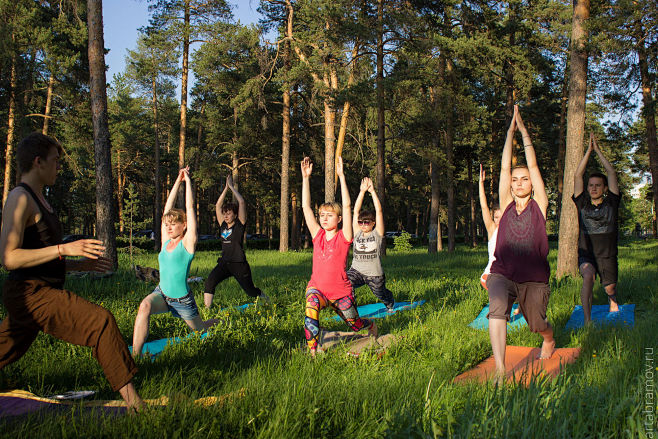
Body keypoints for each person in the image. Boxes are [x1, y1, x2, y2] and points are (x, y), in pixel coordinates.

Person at [0, 132, 142, 409]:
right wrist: (64, 249)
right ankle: (136, 405)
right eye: (55, 161)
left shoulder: (39, 198)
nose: (59, 167)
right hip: (29, 293)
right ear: (38, 162)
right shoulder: (20, 197)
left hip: (37, 291)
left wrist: (80, 265)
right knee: (100, 322)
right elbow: (9, 258)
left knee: (7, 346)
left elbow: (41, 255)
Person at [486, 106, 555, 380]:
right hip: (502, 272)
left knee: (537, 324)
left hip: (534, 279)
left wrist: (524, 133)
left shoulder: (540, 205)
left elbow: (534, 166)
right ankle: (501, 370)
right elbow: (504, 167)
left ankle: (548, 338)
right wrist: (508, 133)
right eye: (515, 180)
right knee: (497, 311)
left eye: (524, 179)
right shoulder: (505, 205)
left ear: (532, 184)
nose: (518, 183)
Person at [132, 167, 216, 357]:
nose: (168, 228)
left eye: (173, 224)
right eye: (166, 224)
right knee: (144, 306)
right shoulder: (166, 242)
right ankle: (136, 357)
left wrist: (187, 182)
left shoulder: (187, 244)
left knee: (200, 331)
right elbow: (166, 210)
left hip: (182, 301)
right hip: (161, 293)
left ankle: (215, 322)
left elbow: (190, 208)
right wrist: (177, 181)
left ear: (184, 225)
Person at [301, 156, 377, 356]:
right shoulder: (317, 236)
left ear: (339, 219)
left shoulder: (344, 237)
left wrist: (342, 176)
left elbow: (347, 206)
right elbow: (305, 208)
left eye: (329, 215)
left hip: (341, 293)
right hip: (317, 288)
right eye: (322, 215)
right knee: (310, 310)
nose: (324, 219)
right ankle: (314, 352)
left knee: (355, 324)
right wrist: (306, 178)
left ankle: (370, 325)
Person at [573, 133, 621, 323]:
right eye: (591, 185)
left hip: (607, 254)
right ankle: (587, 320)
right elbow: (577, 175)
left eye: (597, 185)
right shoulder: (582, 203)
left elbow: (611, 174)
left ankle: (612, 299)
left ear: (604, 188)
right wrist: (588, 151)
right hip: (587, 253)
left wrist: (598, 152)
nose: (593, 188)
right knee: (588, 277)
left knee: (610, 287)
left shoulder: (612, 203)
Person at [203, 175, 268, 308]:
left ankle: (267, 301)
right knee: (210, 282)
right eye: (224, 213)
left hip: (239, 264)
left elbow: (242, 202)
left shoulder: (240, 224)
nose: (226, 216)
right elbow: (217, 205)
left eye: (229, 213)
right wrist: (225, 188)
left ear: (235, 214)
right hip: (224, 263)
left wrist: (232, 187)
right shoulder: (223, 225)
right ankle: (206, 311)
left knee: (250, 291)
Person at [347, 177, 395, 311]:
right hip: (356, 271)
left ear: (373, 223)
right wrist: (362, 192)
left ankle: (389, 301)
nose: (363, 225)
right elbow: (355, 212)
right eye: (361, 222)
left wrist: (372, 191)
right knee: (345, 283)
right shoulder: (357, 233)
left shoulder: (377, 234)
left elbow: (379, 211)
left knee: (380, 294)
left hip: (374, 274)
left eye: (366, 222)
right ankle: (351, 308)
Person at [478, 164, 503, 290]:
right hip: (490, 275)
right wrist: (481, 184)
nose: (498, 220)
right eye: (496, 217)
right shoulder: (493, 229)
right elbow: (484, 206)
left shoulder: (512, 230)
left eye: (501, 217)